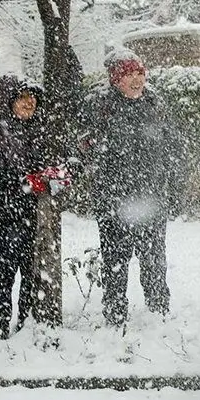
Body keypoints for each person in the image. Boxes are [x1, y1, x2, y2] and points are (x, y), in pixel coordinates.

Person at [81, 50, 188, 327]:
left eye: (140, 73)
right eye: (130, 74)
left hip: (151, 199)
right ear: (116, 80)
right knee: (115, 261)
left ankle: (158, 311)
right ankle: (115, 315)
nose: (137, 79)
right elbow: (84, 147)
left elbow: (173, 149)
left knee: (153, 259)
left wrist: (174, 189)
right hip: (114, 200)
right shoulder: (100, 106)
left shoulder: (155, 104)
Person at [0, 75, 47, 339]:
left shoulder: (36, 128)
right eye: (22, 98)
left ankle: (26, 324)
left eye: (32, 97)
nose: (29, 103)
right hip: (6, 215)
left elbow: (45, 164)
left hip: (34, 214)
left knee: (31, 272)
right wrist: (25, 184)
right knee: (4, 273)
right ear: (8, 101)